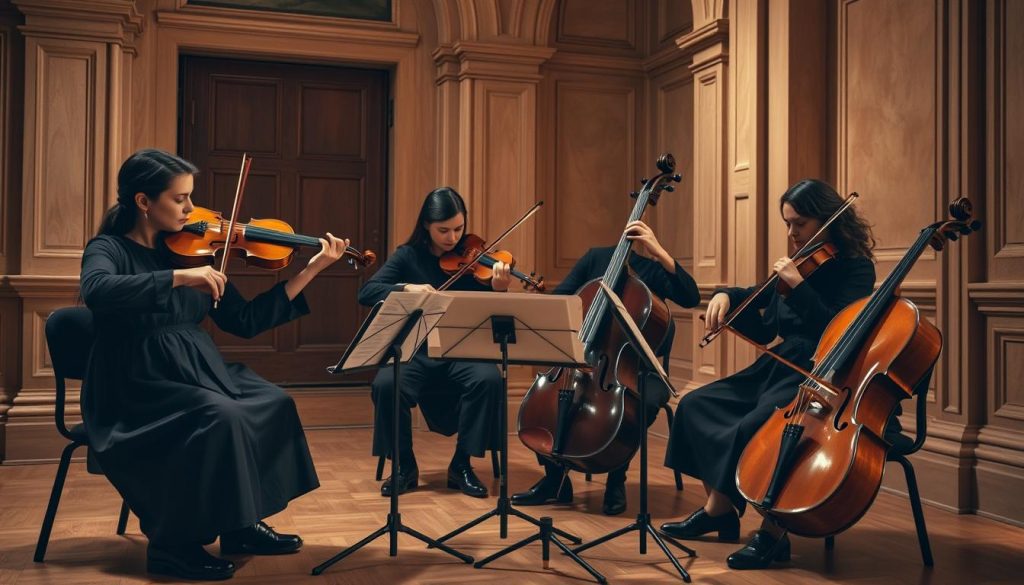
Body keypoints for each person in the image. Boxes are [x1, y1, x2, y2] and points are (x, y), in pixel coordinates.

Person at [80, 149, 349, 581]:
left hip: (196, 370)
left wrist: (313, 268)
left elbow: (245, 321)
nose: (191, 209)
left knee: (272, 402)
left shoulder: (192, 251)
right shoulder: (109, 248)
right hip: (136, 381)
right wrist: (179, 278)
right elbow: (98, 290)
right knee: (221, 418)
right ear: (144, 202)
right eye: (180, 199)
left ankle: (239, 525)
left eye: (191, 198)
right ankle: (172, 546)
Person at [658, 179, 877, 570]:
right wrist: (726, 296)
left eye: (800, 224)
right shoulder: (802, 261)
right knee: (695, 404)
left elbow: (840, 331)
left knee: (758, 427)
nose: (792, 234)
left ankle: (772, 533)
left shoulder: (856, 270)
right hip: (777, 365)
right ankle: (719, 510)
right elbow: (763, 322)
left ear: (827, 221)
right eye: (787, 224)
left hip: (818, 372)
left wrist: (798, 287)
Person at [511, 220, 700, 515]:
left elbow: (691, 297)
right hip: (585, 359)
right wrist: (539, 301)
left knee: (639, 402)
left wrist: (660, 252)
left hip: (637, 368)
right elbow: (562, 300)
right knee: (547, 400)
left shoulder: (652, 270)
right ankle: (555, 480)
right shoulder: (595, 259)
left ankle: (616, 479)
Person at [357, 187, 511, 499]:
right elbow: (368, 292)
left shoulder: (475, 261)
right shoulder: (407, 256)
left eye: (459, 228)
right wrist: (407, 288)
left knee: (489, 378)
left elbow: (489, 312)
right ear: (426, 225)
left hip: (461, 349)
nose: (453, 238)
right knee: (386, 385)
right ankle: (404, 465)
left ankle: (462, 464)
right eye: (443, 230)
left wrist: (498, 289)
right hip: (416, 350)